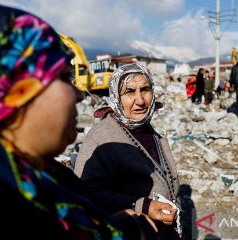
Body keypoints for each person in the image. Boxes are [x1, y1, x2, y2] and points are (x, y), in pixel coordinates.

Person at [0, 5, 156, 239]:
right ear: (13, 90)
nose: (79, 94)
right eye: (63, 77)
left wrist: (114, 224)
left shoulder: (46, 175)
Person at [74, 63, 181, 239]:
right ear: (116, 97)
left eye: (145, 89)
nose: (140, 100)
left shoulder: (149, 131)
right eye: (130, 92)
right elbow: (87, 193)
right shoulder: (101, 137)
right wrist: (142, 206)